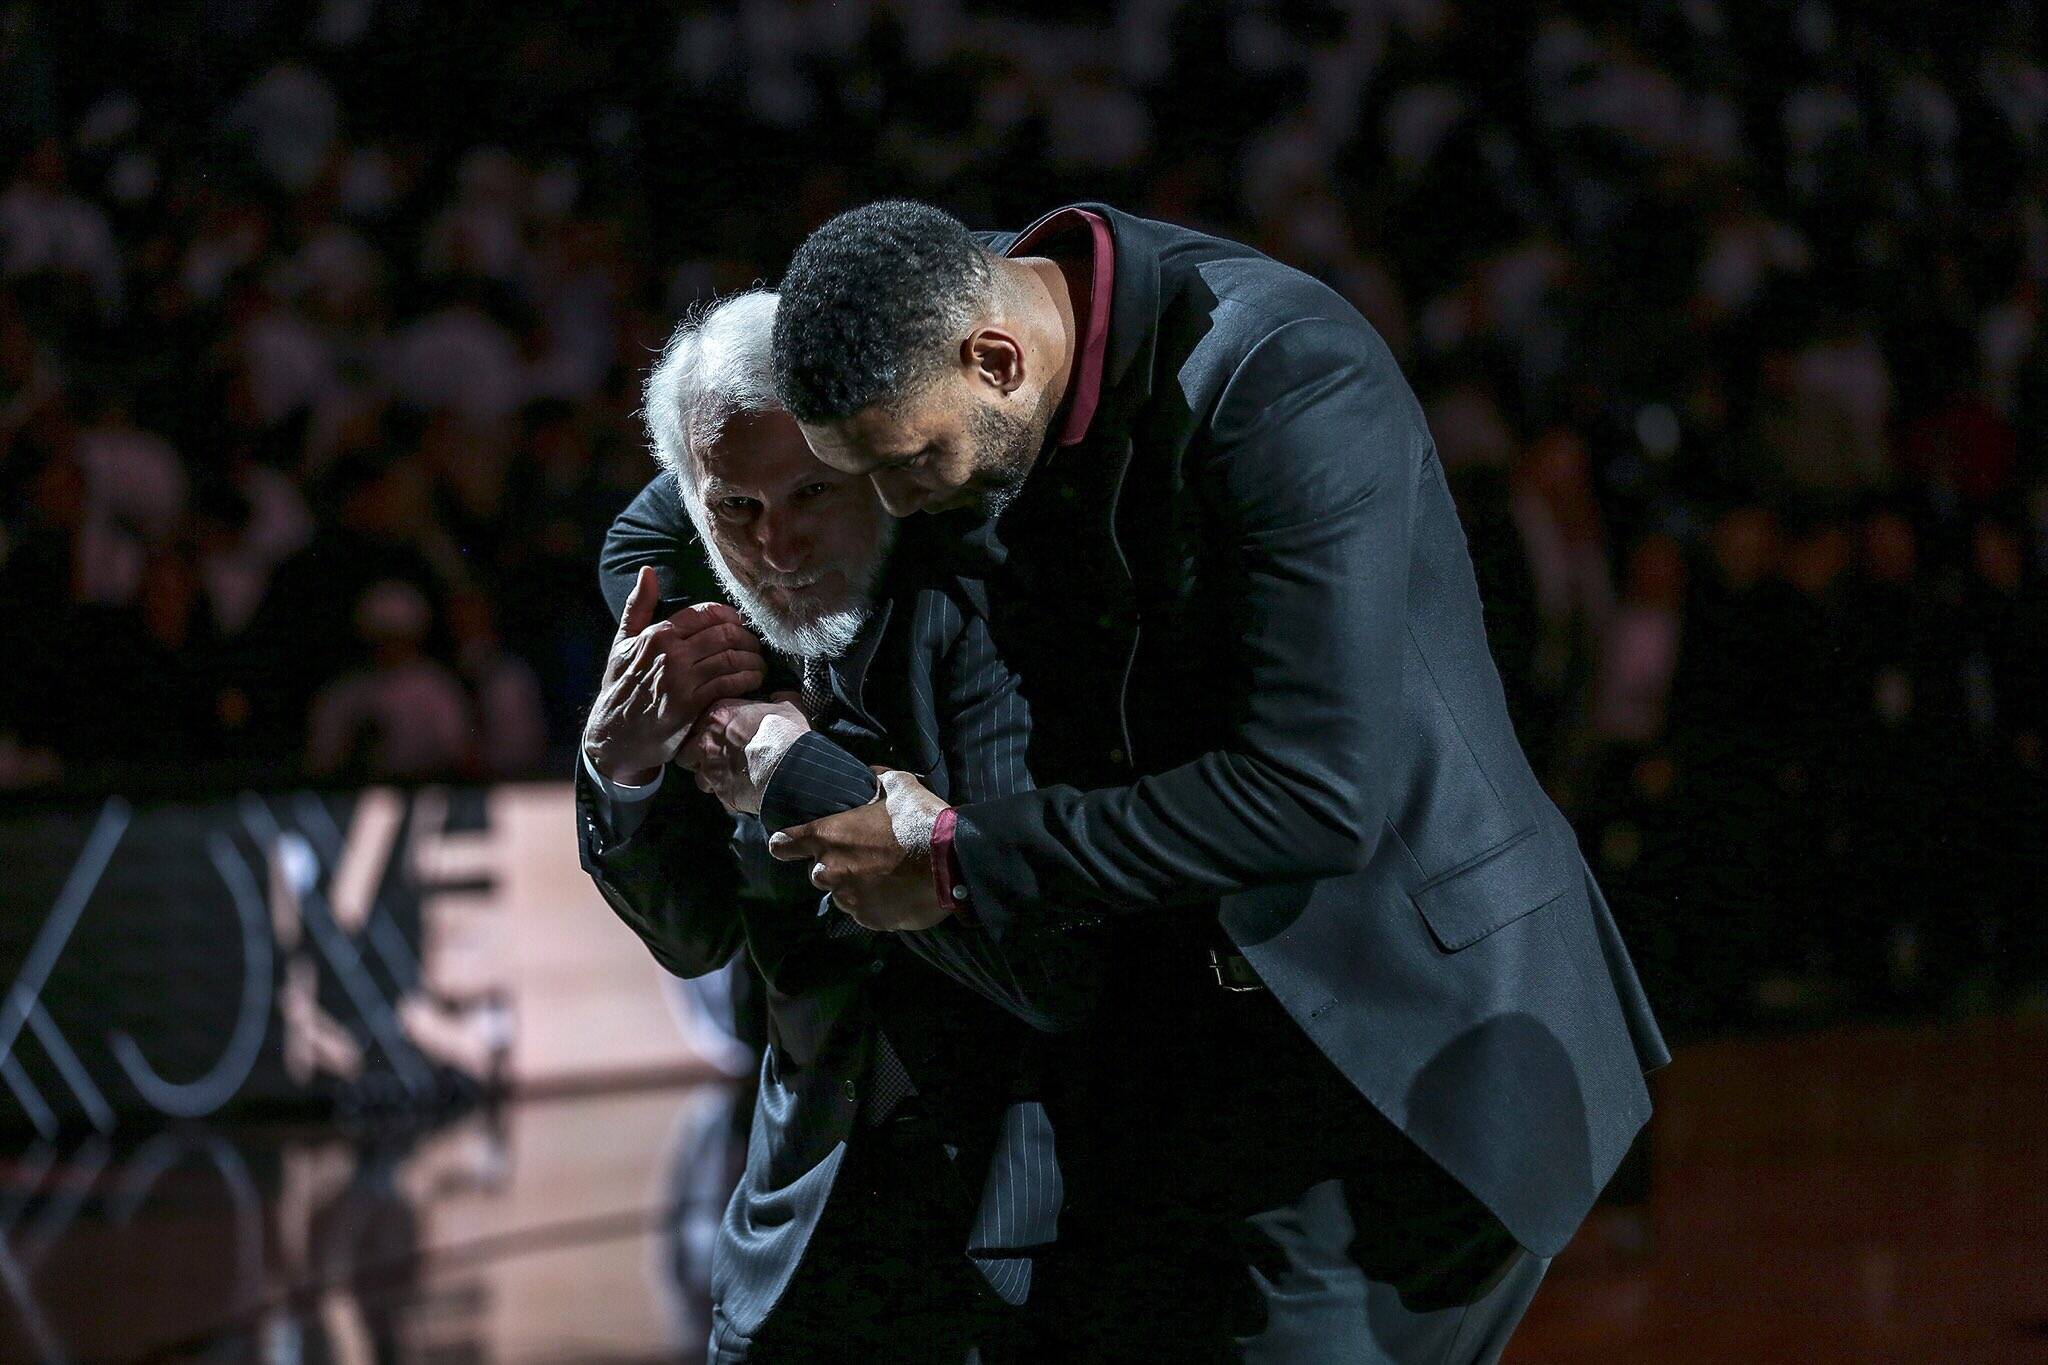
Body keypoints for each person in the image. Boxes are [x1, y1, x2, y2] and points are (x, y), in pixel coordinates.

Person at [689, 199, 1671, 1361]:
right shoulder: (935, 317)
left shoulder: (1280, 374)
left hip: (1395, 1049)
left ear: (998, 360)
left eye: (909, 467)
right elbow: (660, 513)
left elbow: (1311, 795)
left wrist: (955, 855)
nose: (894, 512)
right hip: (1187, 1059)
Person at [577, 292, 1100, 1363]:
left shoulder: (987, 596)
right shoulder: (709, 627)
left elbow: (1049, 968)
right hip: (797, 1222)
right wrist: (617, 764)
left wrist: (794, 771)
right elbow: (692, 938)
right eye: (735, 510)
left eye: (812, 491)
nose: (777, 545)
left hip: (1032, 1230)